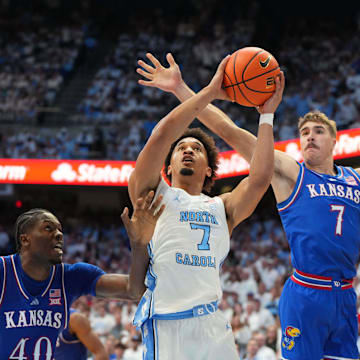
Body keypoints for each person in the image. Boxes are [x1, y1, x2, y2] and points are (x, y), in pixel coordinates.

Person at [140, 52, 360, 359]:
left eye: (319, 131)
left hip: (347, 293)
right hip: (308, 289)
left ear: (335, 140)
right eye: (304, 132)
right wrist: (181, 90)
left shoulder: (355, 178)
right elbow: (228, 131)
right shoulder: (291, 172)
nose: (310, 137)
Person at [129, 53, 283, 360]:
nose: (187, 150)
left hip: (213, 325)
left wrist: (267, 115)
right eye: (181, 149)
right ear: (167, 168)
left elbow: (261, 177)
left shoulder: (221, 207)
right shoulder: (152, 194)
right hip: (169, 324)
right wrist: (210, 91)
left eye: (196, 149)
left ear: (210, 170)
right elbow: (161, 136)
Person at [0, 191, 164, 359]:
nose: (59, 234)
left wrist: (139, 244)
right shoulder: (4, 270)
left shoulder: (71, 276)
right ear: (25, 239)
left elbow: (133, 290)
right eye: (48, 228)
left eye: (60, 230)